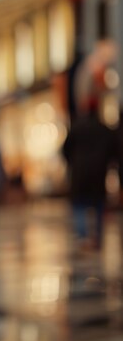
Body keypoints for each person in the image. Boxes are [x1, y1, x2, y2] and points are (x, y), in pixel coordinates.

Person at [63, 97, 118, 252]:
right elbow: (114, 152)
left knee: (80, 205)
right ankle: (97, 239)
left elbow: (65, 150)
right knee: (98, 206)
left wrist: (72, 163)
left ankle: (82, 239)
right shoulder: (104, 129)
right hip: (99, 174)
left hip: (79, 173)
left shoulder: (76, 128)